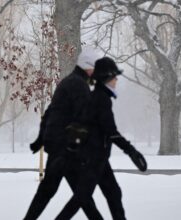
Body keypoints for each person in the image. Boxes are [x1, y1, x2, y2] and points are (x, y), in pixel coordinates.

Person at [55, 57, 147, 220]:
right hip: (92, 159)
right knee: (80, 199)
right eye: (114, 77)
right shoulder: (101, 100)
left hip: (98, 158)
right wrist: (131, 151)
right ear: (106, 77)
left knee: (113, 193)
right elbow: (111, 131)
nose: (116, 80)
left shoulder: (98, 97)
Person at [24, 47, 104, 220]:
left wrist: (40, 140)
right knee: (67, 193)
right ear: (88, 68)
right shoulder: (78, 86)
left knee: (53, 191)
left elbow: (50, 113)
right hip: (66, 149)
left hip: (60, 147)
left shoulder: (69, 82)